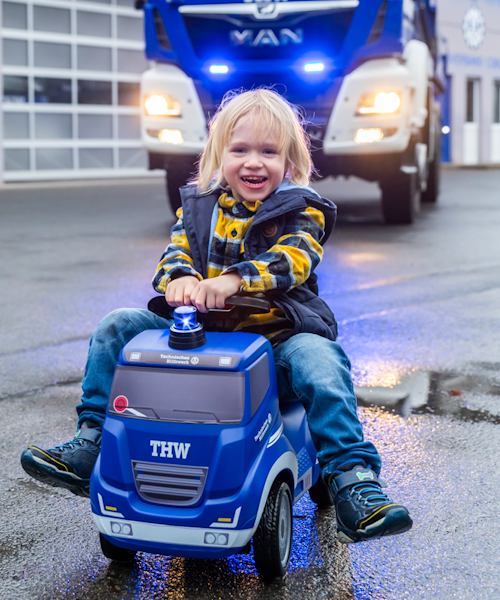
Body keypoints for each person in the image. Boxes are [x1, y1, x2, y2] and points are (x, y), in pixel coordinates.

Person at [21, 89, 413, 544]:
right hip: (204, 345)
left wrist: (234, 280)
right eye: (240, 149)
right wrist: (179, 280)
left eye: (269, 152)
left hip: (276, 347)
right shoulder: (198, 208)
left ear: (289, 161)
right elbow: (173, 256)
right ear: (218, 155)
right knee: (118, 326)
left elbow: (294, 260)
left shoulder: (302, 210)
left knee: (321, 361)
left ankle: (352, 479)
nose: (254, 162)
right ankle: (93, 439)